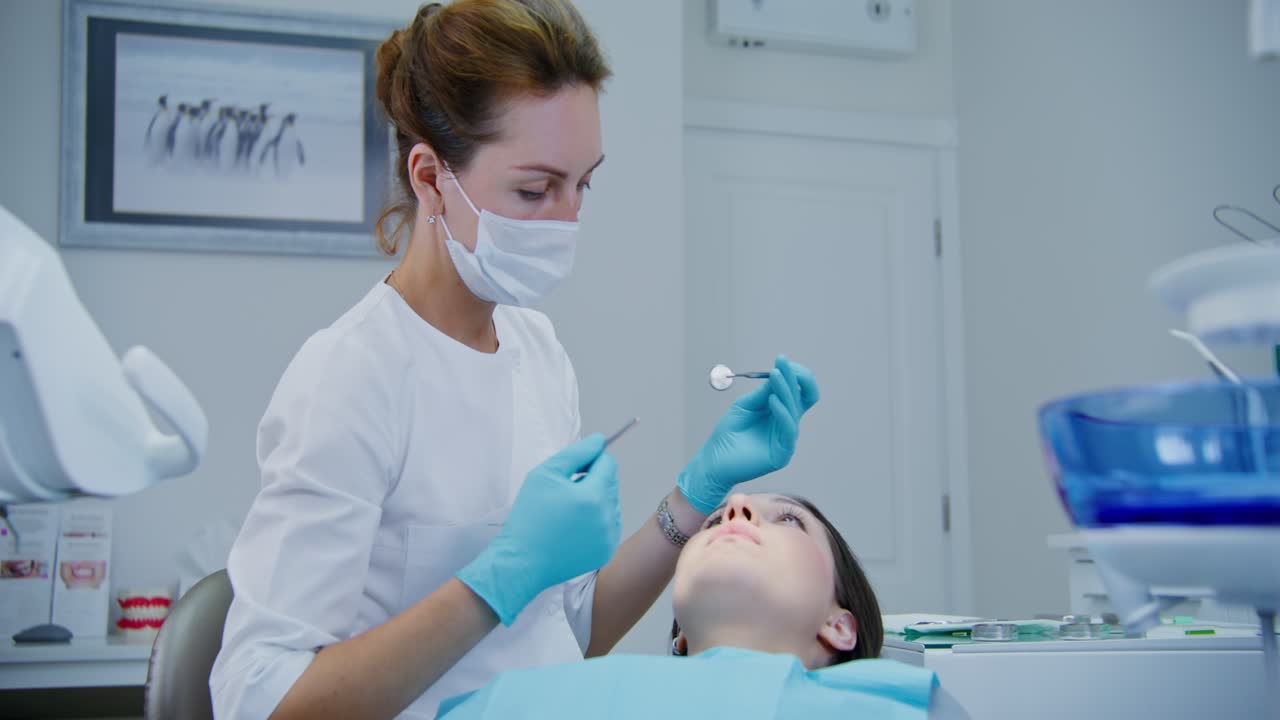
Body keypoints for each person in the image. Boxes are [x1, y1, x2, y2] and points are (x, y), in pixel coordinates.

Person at [210, 2, 819, 718]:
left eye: (582, 183)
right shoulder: (352, 376)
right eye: (535, 190)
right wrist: (498, 580)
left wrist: (698, 491)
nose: (568, 220)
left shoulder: (538, 353)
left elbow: (567, 634)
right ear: (432, 177)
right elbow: (260, 699)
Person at [433, 493, 950, 719]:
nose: (736, 508)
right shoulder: (509, 702)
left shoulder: (892, 706)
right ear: (679, 637)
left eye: (788, 520)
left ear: (839, 626)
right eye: (714, 520)